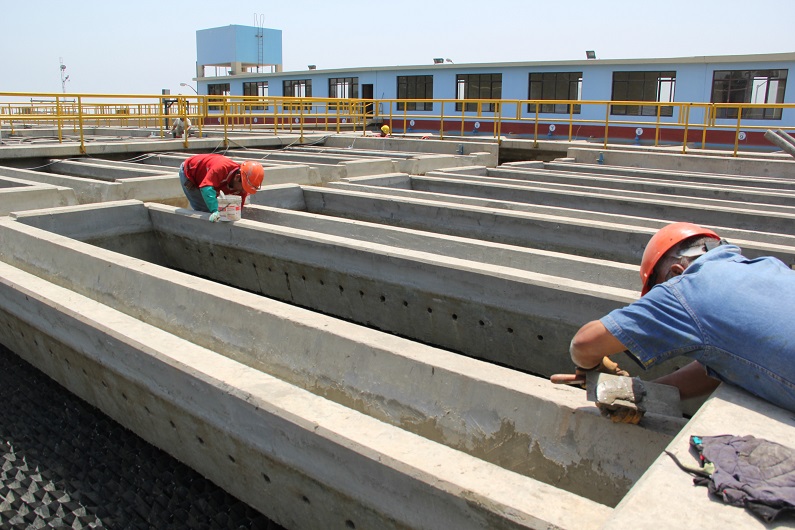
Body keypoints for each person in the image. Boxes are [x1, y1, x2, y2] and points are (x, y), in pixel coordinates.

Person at [553, 222, 795, 417]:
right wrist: (641, 393)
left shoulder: (686, 288)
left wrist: (592, 367)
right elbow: (727, 364)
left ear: (676, 272)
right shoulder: (769, 265)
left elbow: (584, 343)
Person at [179, 154, 264, 222]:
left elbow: (238, 206)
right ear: (237, 177)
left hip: (207, 176)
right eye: (244, 187)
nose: (243, 191)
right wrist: (215, 210)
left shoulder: (242, 183)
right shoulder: (221, 168)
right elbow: (206, 188)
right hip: (190, 172)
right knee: (204, 209)